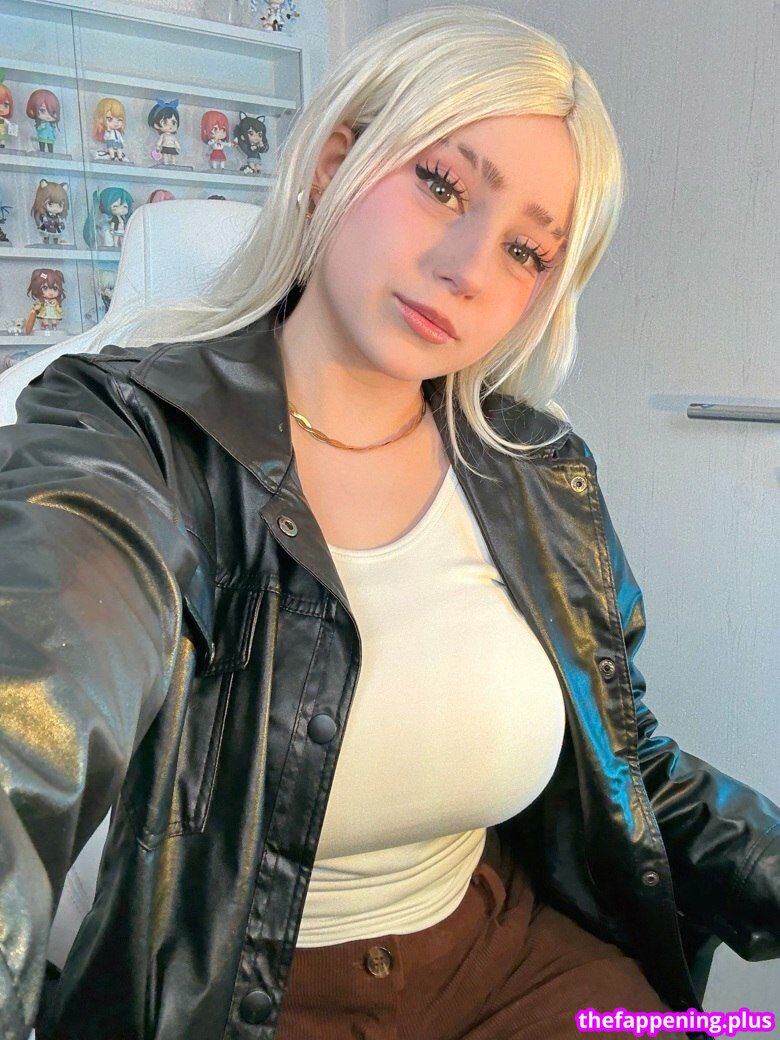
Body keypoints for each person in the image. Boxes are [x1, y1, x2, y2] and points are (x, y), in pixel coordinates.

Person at [0, 7, 777, 1040]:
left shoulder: (537, 470)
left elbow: (628, 759)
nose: (468, 267)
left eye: (525, 251)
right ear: (334, 161)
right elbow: (29, 718)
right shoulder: (127, 432)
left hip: (515, 964)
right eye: (441, 184)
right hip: (240, 995)